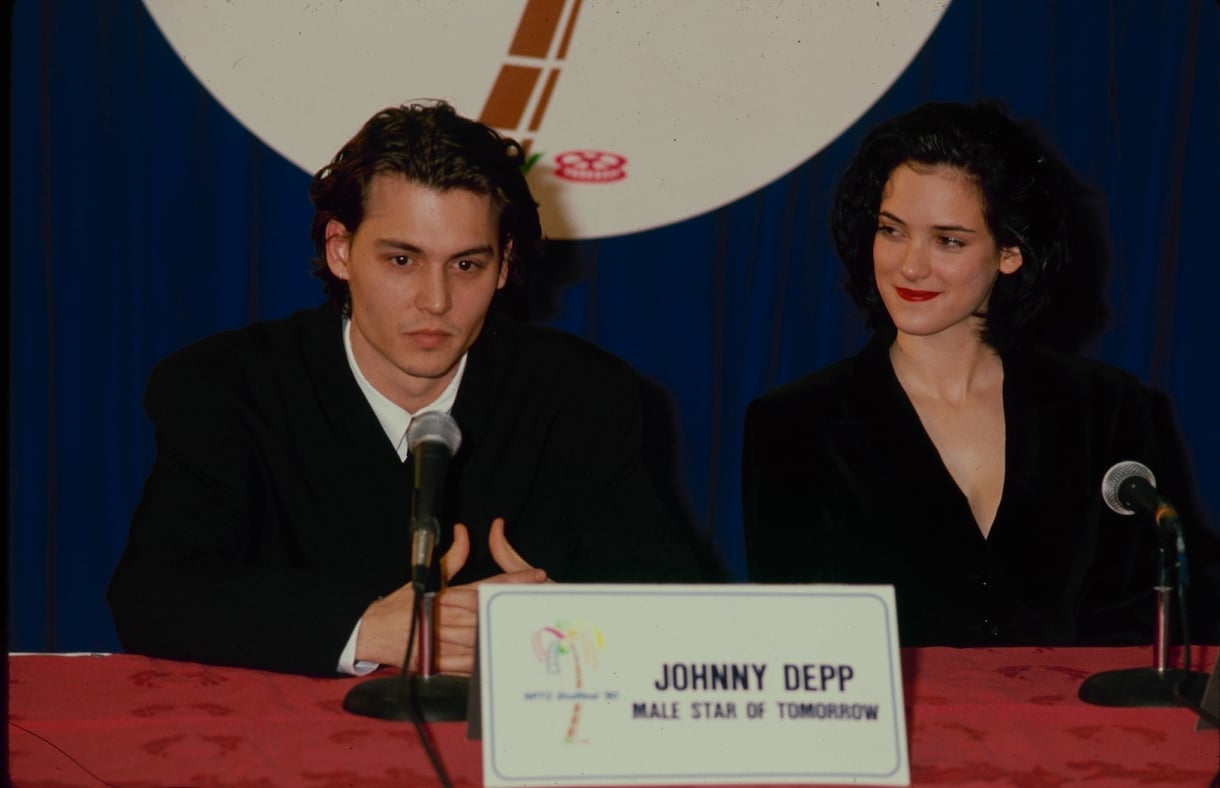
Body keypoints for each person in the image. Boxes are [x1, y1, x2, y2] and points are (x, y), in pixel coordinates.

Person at [108, 101, 703, 677]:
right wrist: (368, 629)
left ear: (503, 265)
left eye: (466, 265)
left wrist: (563, 618)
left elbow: (684, 611)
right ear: (340, 250)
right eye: (402, 261)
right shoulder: (228, 385)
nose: (436, 301)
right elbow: (154, 595)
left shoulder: (580, 394)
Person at [743, 100, 1220, 647]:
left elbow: (1138, 623)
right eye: (892, 230)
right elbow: (801, 649)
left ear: (1010, 252)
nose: (910, 265)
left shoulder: (1105, 408)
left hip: (1077, 728)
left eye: (948, 240)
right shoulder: (795, 424)